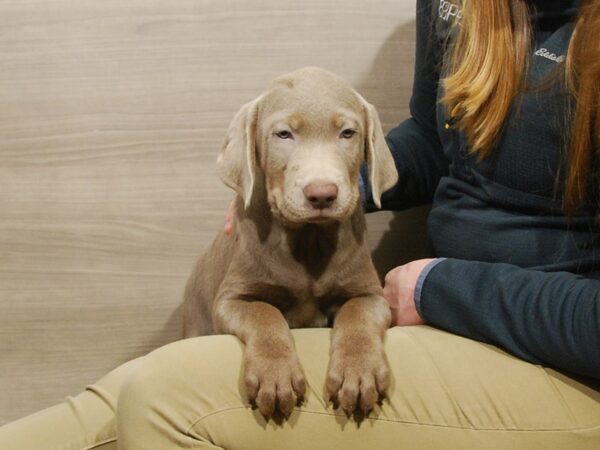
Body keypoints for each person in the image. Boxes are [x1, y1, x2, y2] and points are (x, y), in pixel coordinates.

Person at [1, 0, 599, 449]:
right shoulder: (463, 3)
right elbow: (438, 139)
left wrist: (445, 287)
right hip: (443, 324)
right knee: (107, 399)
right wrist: (305, 185)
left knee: (161, 400)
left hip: (549, 350)